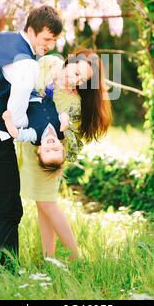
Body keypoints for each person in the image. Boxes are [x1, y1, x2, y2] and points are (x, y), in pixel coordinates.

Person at [0, 6, 63, 268]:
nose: (49, 46)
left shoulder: (0, 37)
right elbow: (15, 113)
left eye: (54, 41)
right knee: (9, 209)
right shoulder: (27, 65)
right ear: (31, 30)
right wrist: (30, 127)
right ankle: (8, 271)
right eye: (46, 39)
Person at [16, 50, 112, 260]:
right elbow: (24, 82)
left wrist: (64, 129)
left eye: (81, 79)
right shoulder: (48, 64)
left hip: (49, 156)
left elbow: (73, 142)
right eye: (74, 71)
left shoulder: (73, 102)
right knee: (41, 204)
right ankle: (48, 256)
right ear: (69, 60)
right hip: (29, 148)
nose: (74, 79)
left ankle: (74, 255)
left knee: (47, 203)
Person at [2, 88, 71, 170]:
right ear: (62, 147)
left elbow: (16, 134)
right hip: (45, 94)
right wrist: (65, 120)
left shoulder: (35, 136)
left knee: (20, 84)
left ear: (40, 150)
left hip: (27, 98)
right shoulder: (62, 130)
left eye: (47, 151)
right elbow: (63, 114)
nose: (51, 146)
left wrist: (7, 120)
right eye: (56, 150)